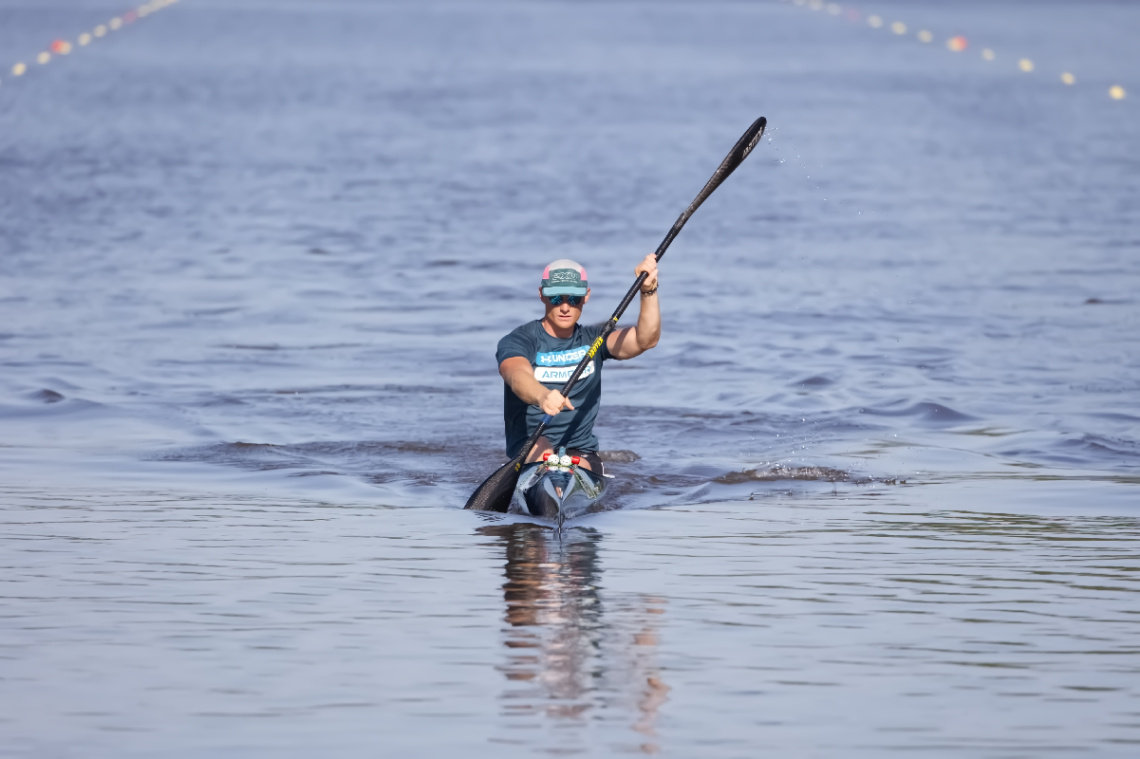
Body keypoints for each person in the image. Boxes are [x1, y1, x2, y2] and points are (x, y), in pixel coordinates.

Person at [495, 256, 660, 472]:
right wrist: (541, 395)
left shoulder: (595, 340)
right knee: (543, 452)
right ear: (542, 294)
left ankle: (567, 487)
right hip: (532, 445)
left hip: (580, 449)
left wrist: (648, 292)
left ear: (586, 296)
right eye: (556, 298)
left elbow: (645, 339)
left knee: (576, 467)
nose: (565, 307)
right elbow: (515, 374)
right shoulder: (520, 340)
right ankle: (547, 489)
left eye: (574, 298)